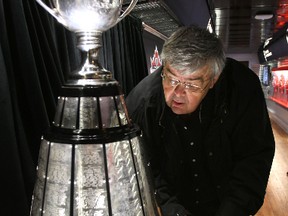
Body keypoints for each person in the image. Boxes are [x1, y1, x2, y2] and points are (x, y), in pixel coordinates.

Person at [125, 25, 275, 216]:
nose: (177, 94)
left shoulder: (242, 89)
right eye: (171, 79)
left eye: (191, 84)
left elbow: (253, 158)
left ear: (213, 79)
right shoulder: (143, 102)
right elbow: (145, 170)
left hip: (228, 201)